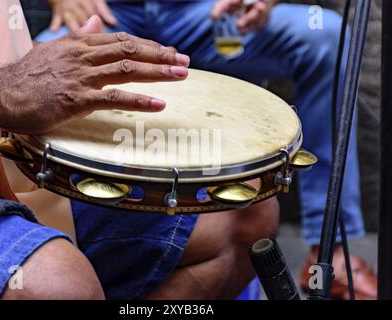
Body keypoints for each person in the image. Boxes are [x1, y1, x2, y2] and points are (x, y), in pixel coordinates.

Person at [36, 0, 377, 299]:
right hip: (112, 12)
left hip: (207, 13)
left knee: (326, 35)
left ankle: (329, 252)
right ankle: (44, 245)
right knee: (40, 66)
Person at [0, 0, 278, 300]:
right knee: (55, 285)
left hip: (6, 141)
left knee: (240, 211)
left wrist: (43, 64)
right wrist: (3, 88)